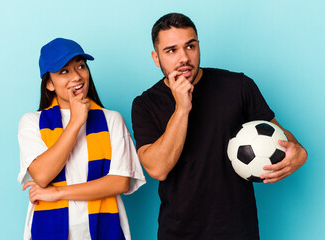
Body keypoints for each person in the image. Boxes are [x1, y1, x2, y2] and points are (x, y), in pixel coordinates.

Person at [131, 13, 307, 240]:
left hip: (237, 229)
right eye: (171, 50)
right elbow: (158, 169)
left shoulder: (238, 86)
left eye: (190, 46)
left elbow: (278, 135)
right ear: (156, 57)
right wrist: (182, 108)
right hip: (179, 232)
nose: (184, 57)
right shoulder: (145, 104)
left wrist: (299, 153)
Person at [18, 38, 146, 240]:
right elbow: (42, 175)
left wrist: (58, 193)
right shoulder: (31, 122)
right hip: (47, 229)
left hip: (105, 230)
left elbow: (120, 182)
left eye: (81, 66)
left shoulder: (112, 119)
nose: (77, 76)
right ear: (49, 83)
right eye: (64, 71)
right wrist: (76, 122)